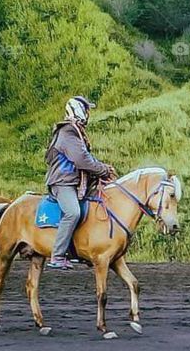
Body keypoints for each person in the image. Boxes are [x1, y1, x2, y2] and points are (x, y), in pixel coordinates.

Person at [44, 95, 117, 270]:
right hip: (63, 182)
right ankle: (58, 255)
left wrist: (101, 169)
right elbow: (82, 160)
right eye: (86, 109)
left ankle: (78, 251)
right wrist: (103, 169)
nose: (88, 113)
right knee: (73, 212)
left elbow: (86, 158)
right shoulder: (68, 132)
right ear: (78, 110)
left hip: (73, 182)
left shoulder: (75, 132)